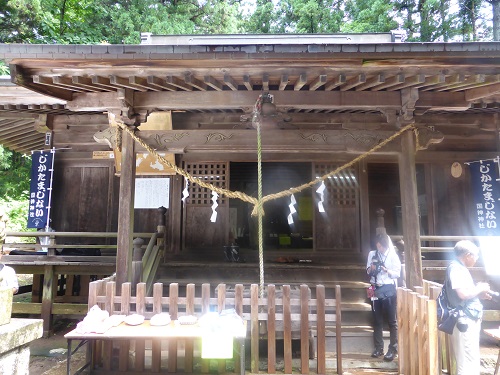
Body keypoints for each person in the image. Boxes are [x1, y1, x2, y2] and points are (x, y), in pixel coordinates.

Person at [445, 240, 492, 375]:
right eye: (475, 256)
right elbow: (463, 294)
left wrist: (479, 294)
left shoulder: (459, 267)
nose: (476, 259)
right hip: (464, 320)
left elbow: (464, 294)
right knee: (466, 362)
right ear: (467, 255)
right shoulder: (456, 268)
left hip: (467, 318)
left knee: (470, 359)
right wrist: (480, 288)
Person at [366, 233, 401, 361]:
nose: (379, 248)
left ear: (386, 245)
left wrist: (387, 270)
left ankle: (393, 349)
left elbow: (397, 273)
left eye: (381, 246)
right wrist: (372, 268)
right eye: (378, 245)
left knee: (392, 321)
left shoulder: (392, 255)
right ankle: (378, 348)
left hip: (388, 287)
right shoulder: (372, 254)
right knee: (377, 320)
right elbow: (367, 271)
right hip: (375, 287)